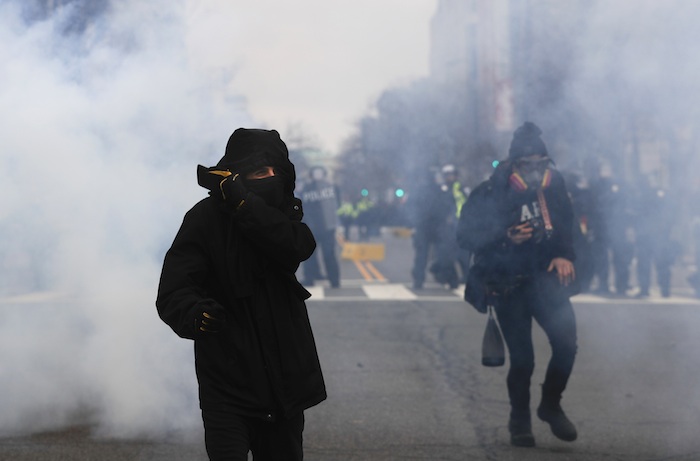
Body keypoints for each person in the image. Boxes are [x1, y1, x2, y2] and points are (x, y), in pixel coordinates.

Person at [156, 128, 327, 461]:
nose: (271, 178)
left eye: (276, 171)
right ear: (239, 174)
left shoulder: (282, 216)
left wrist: (244, 203)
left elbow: (295, 246)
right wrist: (195, 314)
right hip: (227, 386)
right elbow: (174, 290)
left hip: (284, 389)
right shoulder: (203, 220)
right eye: (261, 172)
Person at [457, 122, 578, 447]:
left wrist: (565, 255)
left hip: (546, 280)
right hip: (508, 283)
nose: (536, 171)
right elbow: (465, 235)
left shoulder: (555, 187)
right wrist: (505, 237)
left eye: (542, 164)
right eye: (528, 165)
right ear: (513, 164)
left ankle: (550, 405)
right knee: (523, 360)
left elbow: (568, 226)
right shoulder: (489, 192)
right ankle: (519, 420)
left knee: (567, 347)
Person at [299, 165, 341, 288]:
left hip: (328, 227)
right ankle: (309, 278)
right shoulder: (306, 188)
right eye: (315, 173)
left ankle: (334, 281)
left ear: (324, 174)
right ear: (312, 175)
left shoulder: (332, 187)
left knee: (329, 254)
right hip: (311, 227)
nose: (317, 175)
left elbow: (337, 204)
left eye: (320, 173)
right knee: (309, 255)